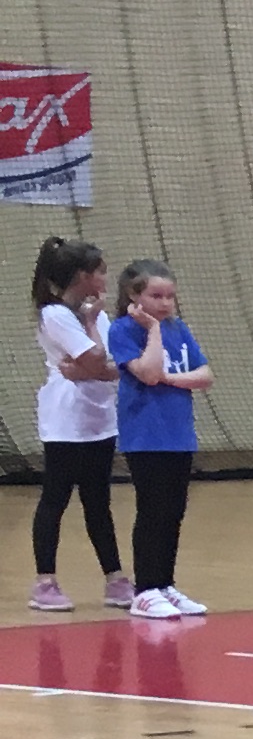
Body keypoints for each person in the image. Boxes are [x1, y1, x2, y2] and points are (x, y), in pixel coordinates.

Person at [104, 259, 216, 618]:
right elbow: (148, 373)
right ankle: (146, 590)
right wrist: (152, 329)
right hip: (145, 436)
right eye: (156, 296)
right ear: (133, 295)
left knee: (173, 512)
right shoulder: (122, 330)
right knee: (152, 511)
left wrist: (170, 379)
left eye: (170, 296)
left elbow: (204, 374)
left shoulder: (178, 328)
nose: (165, 303)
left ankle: (165, 584)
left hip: (179, 435)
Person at [29, 235, 124, 611]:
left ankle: (115, 579)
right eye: (100, 271)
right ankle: (45, 583)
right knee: (56, 497)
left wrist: (92, 367)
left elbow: (113, 365)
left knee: (98, 500)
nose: (105, 277)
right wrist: (94, 356)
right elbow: (98, 357)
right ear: (83, 275)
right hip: (66, 418)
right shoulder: (55, 314)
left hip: (100, 415)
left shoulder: (96, 313)